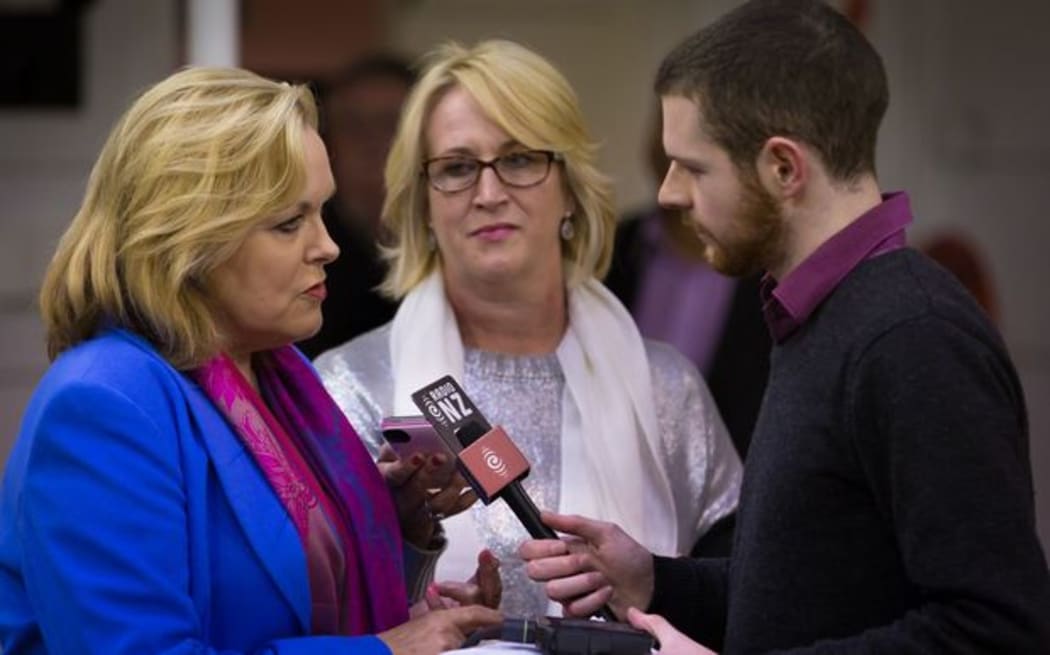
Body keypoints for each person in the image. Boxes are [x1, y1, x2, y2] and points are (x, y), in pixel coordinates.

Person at [519, 1, 1050, 652]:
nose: (667, 194)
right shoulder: (820, 314)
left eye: (694, 166)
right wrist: (654, 580)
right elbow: (802, 596)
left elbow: (996, 630)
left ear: (783, 168)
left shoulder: (912, 335)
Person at [0, 66, 501, 655]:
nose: (328, 246)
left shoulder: (280, 375)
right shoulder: (102, 401)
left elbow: (293, 603)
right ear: (189, 240)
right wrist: (390, 650)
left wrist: (395, 535)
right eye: (290, 222)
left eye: (321, 211)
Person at [314, 39, 743, 618]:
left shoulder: (668, 387)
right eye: (458, 168)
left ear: (569, 190)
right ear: (423, 206)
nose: (489, 194)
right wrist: (415, 592)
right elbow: (317, 608)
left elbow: (743, 601)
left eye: (519, 160)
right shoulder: (349, 388)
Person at [605, 109, 770, 457]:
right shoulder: (608, 252)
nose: (675, 149)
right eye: (667, 125)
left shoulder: (772, 271)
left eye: (702, 133)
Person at [297, 53, 416, 358]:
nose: (371, 140)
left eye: (389, 123)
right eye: (353, 123)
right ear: (328, 139)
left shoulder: (449, 236)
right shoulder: (299, 239)